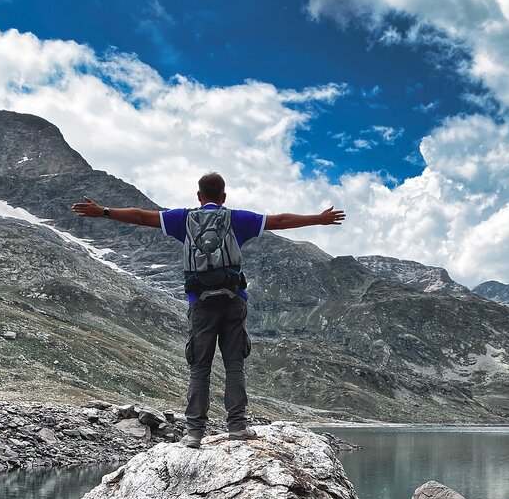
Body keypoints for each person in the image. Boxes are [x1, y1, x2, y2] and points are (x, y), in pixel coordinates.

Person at [72, 172, 345, 448]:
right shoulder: (237, 219)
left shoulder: (182, 219)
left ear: (199, 196)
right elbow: (280, 220)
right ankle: (237, 428)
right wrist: (318, 219)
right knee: (234, 367)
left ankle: (194, 434)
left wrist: (104, 211)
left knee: (199, 369)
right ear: (224, 197)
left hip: (200, 304)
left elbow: (142, 216)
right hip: (232, 303)